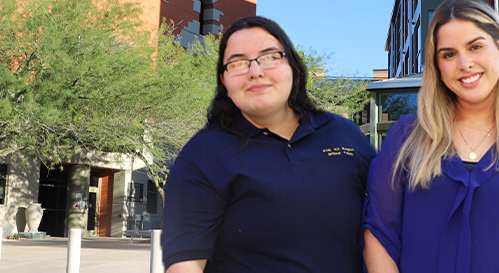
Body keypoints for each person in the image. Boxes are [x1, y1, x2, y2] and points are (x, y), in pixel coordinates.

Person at [363, 0, 499, 273]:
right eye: (449, 54)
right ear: (437, 67)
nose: (465, 64)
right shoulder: (406, 137)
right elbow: (378, 234)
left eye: (475, 47)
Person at [161, 16, 375, 272]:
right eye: (238, 63)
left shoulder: (344, 134)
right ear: (224, 81)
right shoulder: (202, 155)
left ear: (293, 68)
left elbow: (386, 225)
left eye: (270, 57)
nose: (255, 71)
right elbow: (185, 264)